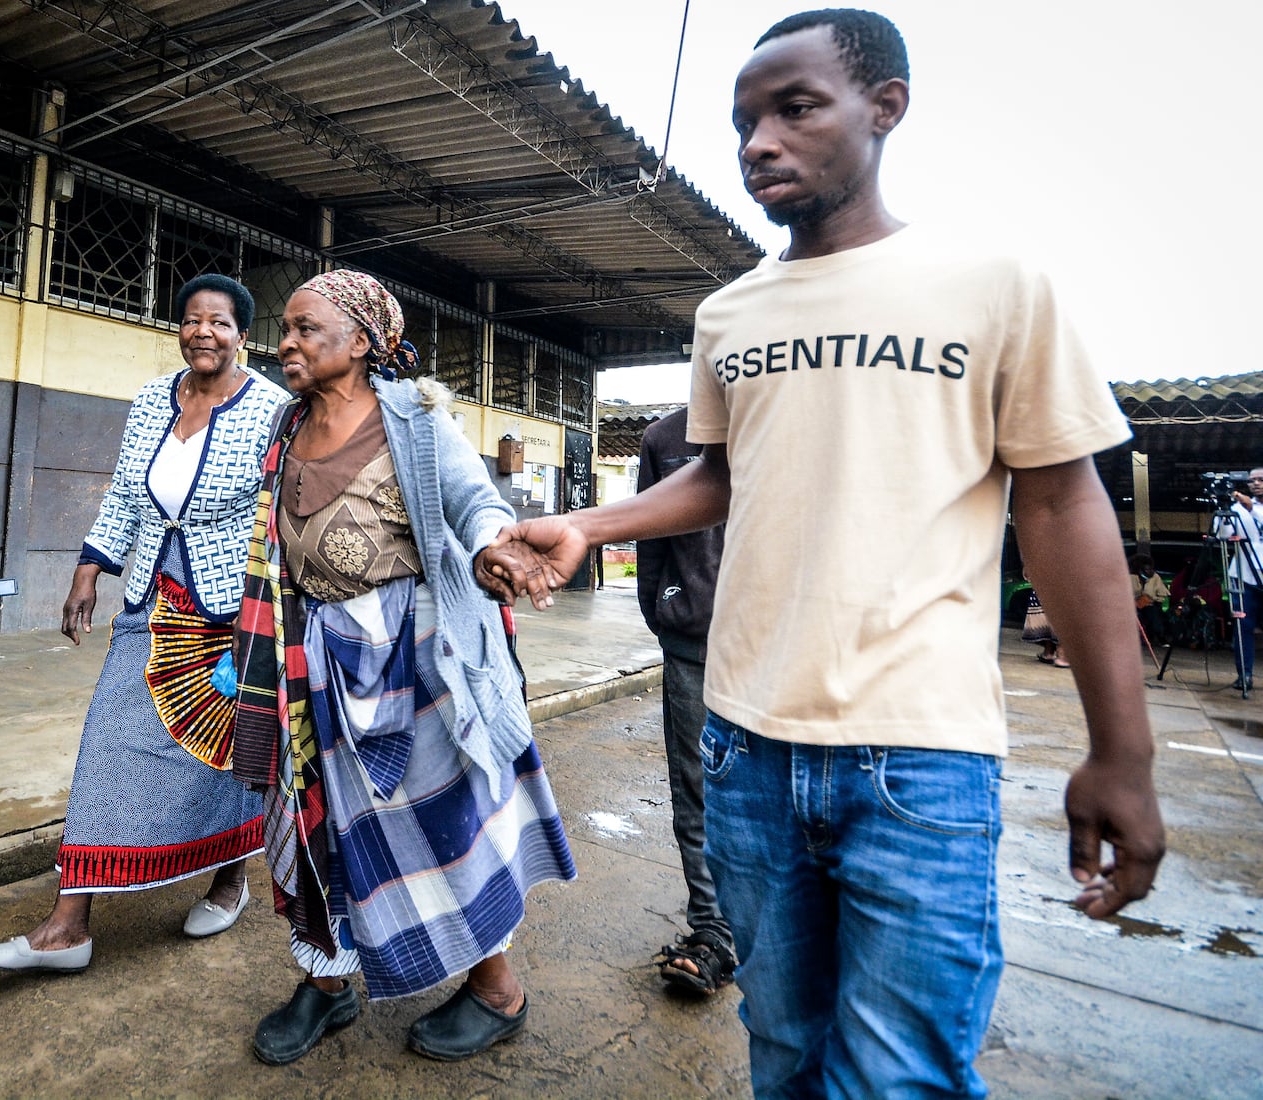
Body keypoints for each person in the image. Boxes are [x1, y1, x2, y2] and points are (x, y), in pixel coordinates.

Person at [483, 10, 1165, 1097]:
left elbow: (1058, 496)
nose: (758, 140)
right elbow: (718, 474)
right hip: (744, 748)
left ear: (884, 107)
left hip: (921, 758)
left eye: (794, 108)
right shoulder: (731, 314)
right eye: (744, 120)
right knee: (785, 1050)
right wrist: (589, 526)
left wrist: (1119, 750)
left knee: (895, 1075)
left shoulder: (991, 285)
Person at [232, 270, 575, 1065]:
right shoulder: (281, 429)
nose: (285, 341)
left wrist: (497, 546)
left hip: (414, 664)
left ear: (360, 342)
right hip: (308, 663)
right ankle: (326, 982)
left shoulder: (412, 420)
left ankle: (497, 989)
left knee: (439, 828)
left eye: (307, 328)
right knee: (312, 827)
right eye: (284, 327)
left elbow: (472, 498)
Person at [0, 273, 289, 973]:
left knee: (225, 754)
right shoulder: (152, 399)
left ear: (242, 336)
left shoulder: (272, 408)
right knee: (108, 737)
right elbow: (123, 492)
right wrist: (90, 566)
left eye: (220, 322)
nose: (203, 332)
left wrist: (264, 613)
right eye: (191, 320)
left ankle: (230, 877)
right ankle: (68, 924)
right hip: (151, 595)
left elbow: (280, 511)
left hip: (231, 608)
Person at [635, 408, 737, 995]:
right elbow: (652, 544)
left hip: (782, 644)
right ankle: (714, 931)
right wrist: (664, 613)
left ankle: (776, 925)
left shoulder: (793, 415)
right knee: (696, 783)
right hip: (693, 641)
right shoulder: (664, 439)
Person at [1226, 469, 1263, 690]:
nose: (1255, 484)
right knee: (1242, 626)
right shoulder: (1237, 508)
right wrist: (1224, 515)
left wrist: (1251, 508)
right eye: (1252, 481)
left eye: (1261, 480)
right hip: (1243, 575)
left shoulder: (1247, 506)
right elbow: (1223, 535)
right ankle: (1244, 675)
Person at [1128, 552, 1170, 648]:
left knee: (1153, 614)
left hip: (1150, 604)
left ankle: (1159, 636)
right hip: (1132, 606)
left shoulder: (1155, 577)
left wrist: (1153, 600)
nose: (1150, 571)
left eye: (1151, 569)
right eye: (1147, 569)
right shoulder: (1130, 577)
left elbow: (1162, 593)